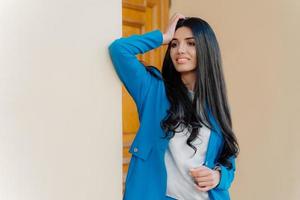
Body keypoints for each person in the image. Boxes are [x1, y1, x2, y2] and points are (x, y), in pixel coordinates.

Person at [108, 13, 239, 200]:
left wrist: (218, 177)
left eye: (191, 43)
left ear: (206, 49)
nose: (180, 50)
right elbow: (119, 50)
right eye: (175, 44)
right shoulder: (153, 91)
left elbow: (227, 157)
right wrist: (163, 37)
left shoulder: (215, 104)